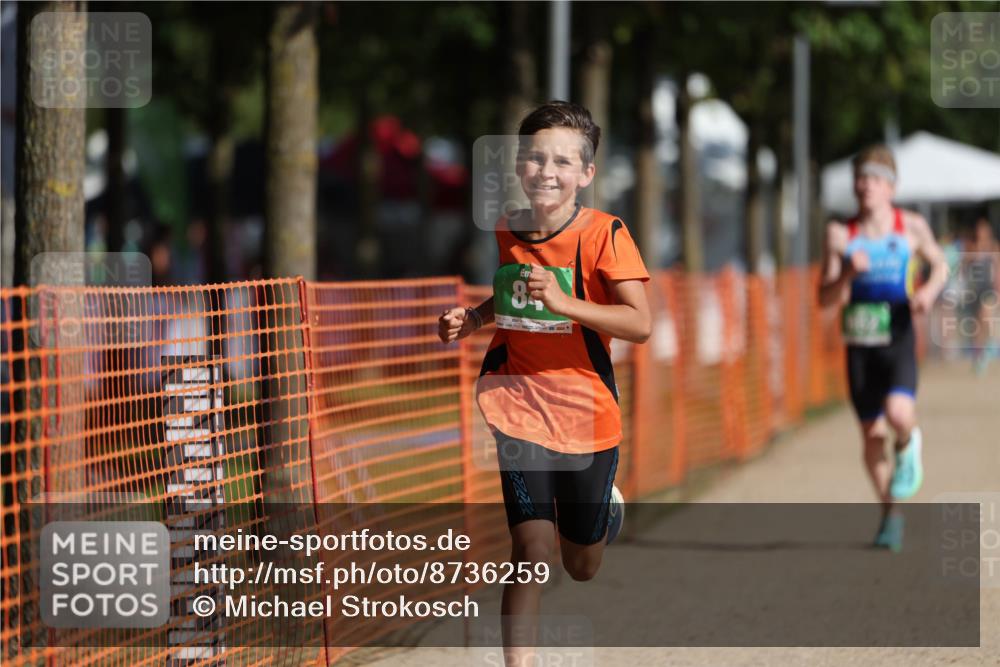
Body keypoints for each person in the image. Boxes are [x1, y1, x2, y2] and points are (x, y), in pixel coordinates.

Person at [437, 101, 651, 665]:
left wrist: (565, 302)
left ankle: (602, 512)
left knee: (581, 566)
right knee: (530, 550)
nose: (546, 171)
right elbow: (512, 294)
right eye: (535, 158)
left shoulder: (606, 234)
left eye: (562, 161)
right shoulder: (508, 227)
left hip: (587, 414)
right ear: (519, 166)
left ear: (586, 173)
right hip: (518, 405)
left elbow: (640, 324)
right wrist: (475, 318)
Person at [819, 144, 948, 552]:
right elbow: (823, 298)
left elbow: (941, 265)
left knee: (898, 414)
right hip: (859, 345)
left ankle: (909, 442)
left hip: (898, 336)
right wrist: (846, 274)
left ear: (891, 187)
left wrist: (928, 291)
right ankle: (891, 514)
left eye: (874, 179)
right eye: (860, 179)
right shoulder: (840, 234)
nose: (865, 186)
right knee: (872, 435)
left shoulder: (910, 226)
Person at [961, 217, 1000, 374]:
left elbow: (998, 269)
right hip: (975, 290)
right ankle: (979, 356)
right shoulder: (971, 247)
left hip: (989, 289)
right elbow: (964, 266)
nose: (981, 233)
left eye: (984, 230)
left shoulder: (993, 247)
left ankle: (990, 344)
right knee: (977, 326)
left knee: (986, 316)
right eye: (979, 230)